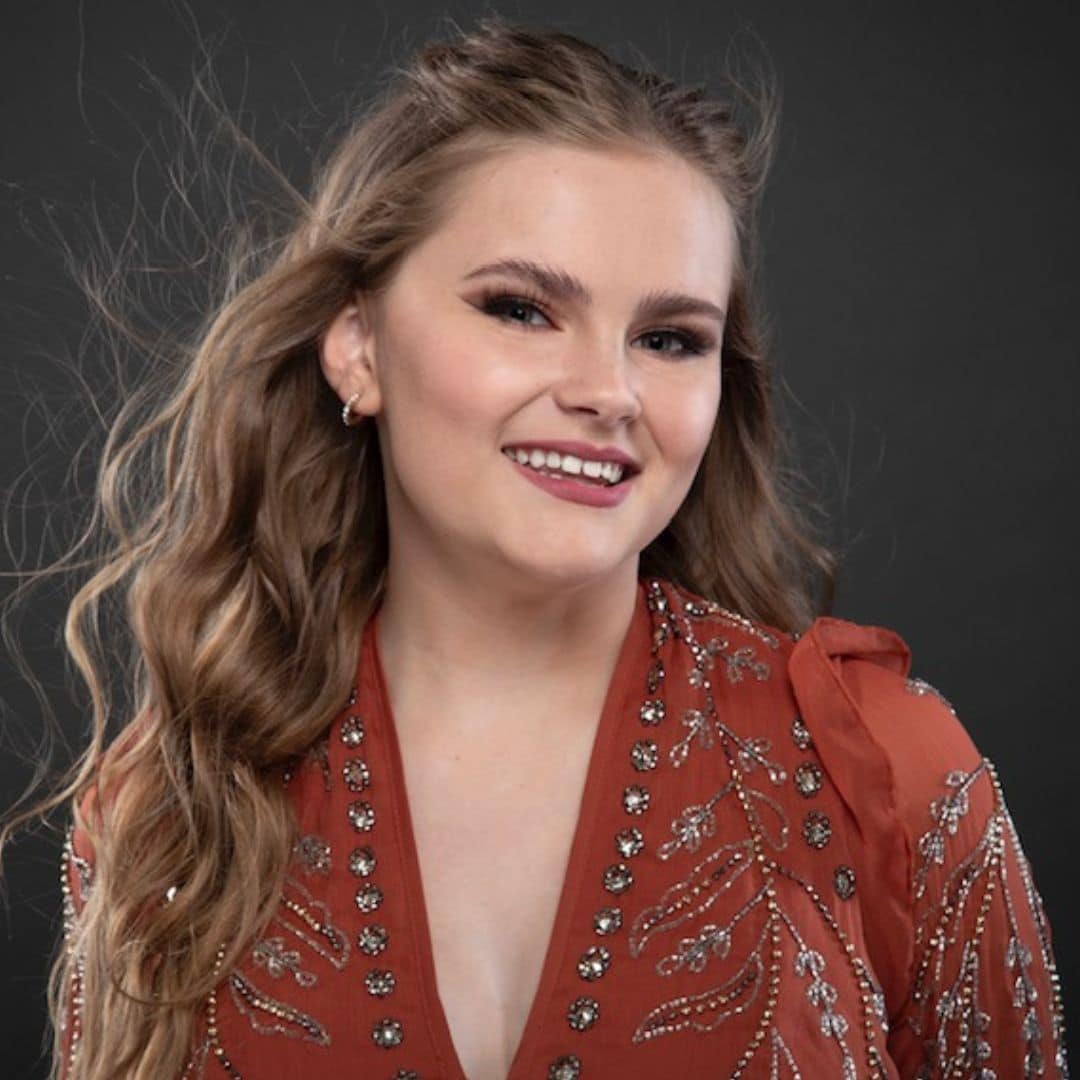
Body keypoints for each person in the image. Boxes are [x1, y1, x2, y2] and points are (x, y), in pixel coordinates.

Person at [15, 15, 1068, 1080]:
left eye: (669, 339)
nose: (608, 392)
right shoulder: (170, 802)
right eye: (521, 309)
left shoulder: (883, 767)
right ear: (357, 347)